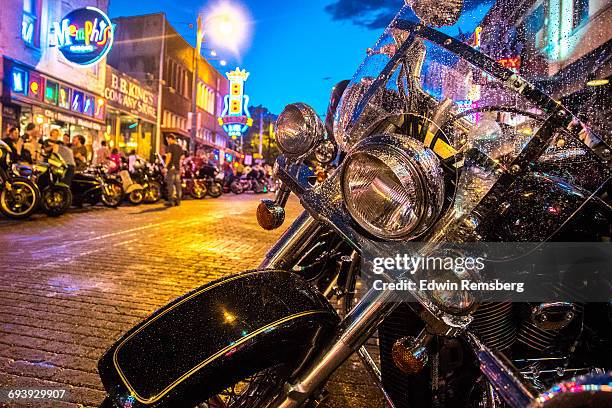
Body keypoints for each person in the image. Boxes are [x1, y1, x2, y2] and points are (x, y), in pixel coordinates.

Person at [164, 134, 184, 206]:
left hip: (171, 168)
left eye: (168, 140)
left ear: (171, 139)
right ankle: (178, 201)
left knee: (171, 184)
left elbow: (169, 156)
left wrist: (165, 166)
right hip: (177, 168)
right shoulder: (179, 147)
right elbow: (182, 157)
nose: (168, 141)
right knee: (178, 184)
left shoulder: (170, 147)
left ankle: (171, 201)